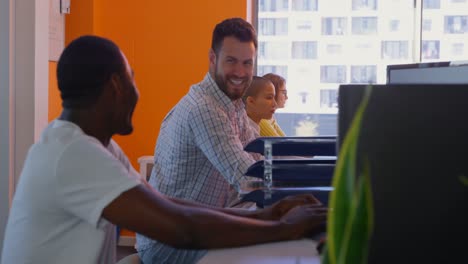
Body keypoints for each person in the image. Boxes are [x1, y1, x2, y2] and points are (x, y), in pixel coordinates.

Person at [0, 35, 327, 264]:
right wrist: (283, 227)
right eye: (133, 80)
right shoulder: (74, 154)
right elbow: (181, 227)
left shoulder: (94, 145)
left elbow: (168, 204)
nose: (137, 93)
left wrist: (269, 214)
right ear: (116, 86)